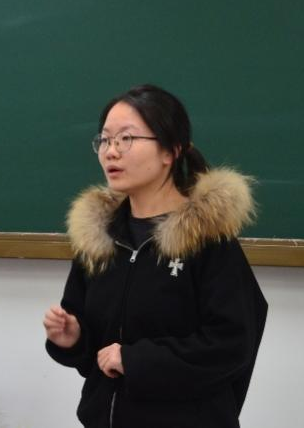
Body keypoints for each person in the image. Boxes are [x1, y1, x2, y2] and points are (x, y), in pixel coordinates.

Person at [43, 84, 267, 428]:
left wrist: (135, 360)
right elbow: (95, 357)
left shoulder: (208, 239)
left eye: (126, 139)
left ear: (170, 151)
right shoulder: (100, 239)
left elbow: (231, 345)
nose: (111, 152)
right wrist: (73, 339)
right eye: (104, 140)